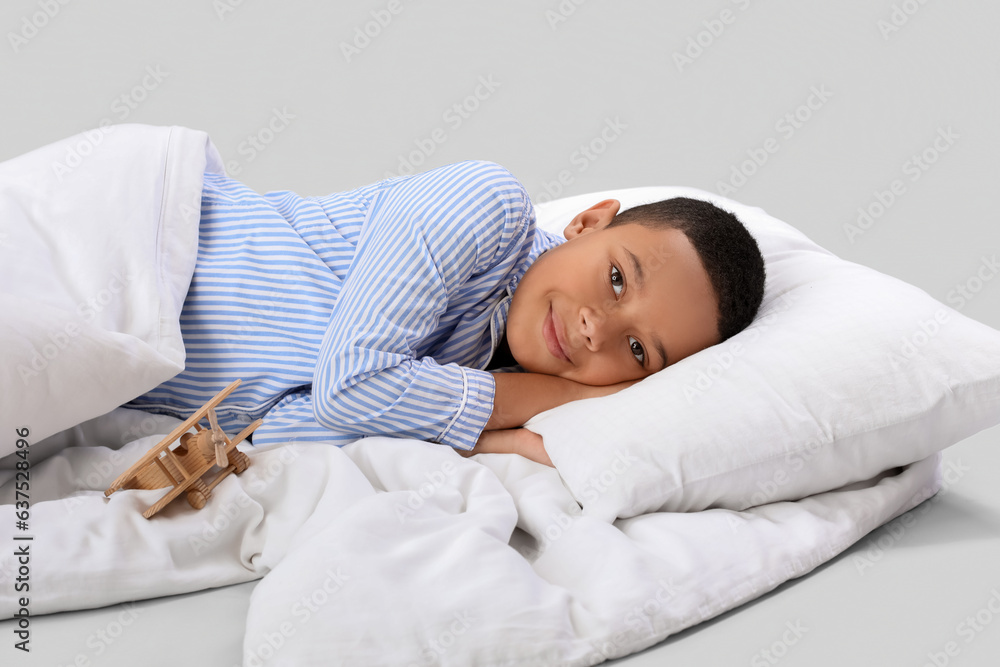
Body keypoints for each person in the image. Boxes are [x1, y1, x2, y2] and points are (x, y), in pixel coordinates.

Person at [125, 160, 765, 466]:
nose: (597, 327)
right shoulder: (487, 206)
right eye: (618, 278)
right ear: (586, 223)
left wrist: (495, 438)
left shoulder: (455, 371)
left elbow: (278, 429)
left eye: (636, 352)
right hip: (131, 237)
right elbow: (350, 387)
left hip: (114, 355)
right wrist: (551, 399)